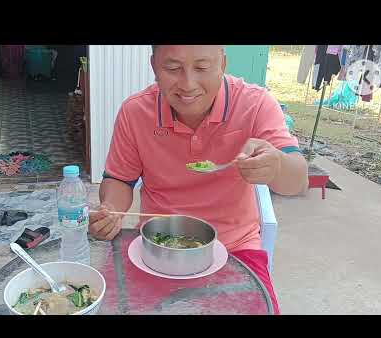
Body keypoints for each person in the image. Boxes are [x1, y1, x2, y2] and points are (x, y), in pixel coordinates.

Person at [88, 45, 309, 314]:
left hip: (235, 247)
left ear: (223, 64)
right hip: (156, 248)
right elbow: (120, 180)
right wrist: (111, 209)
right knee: (100, 304)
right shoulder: (135, 112)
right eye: (172, 68)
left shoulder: (255, 104)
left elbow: (298, 180)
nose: (188, 84)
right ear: (154, 65)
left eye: (202, 68)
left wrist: (277, 166)